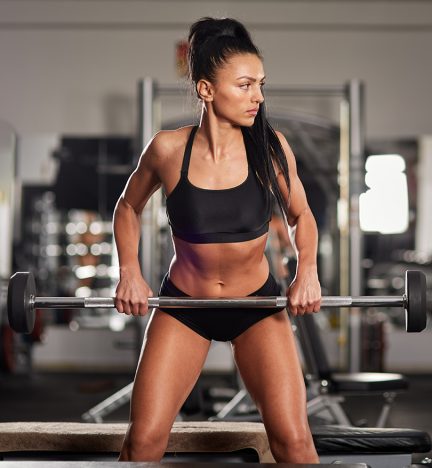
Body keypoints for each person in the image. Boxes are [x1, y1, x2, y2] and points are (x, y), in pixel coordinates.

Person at [112, 17, 321, 463]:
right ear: (206, 89)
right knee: (144, 441)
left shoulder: (271, 148)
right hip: (186, 306)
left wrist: (308, 273)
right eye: (245, 85)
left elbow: (301, 215)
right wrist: (128, 270)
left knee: (294, 442)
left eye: (261, 85)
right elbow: (127, 207)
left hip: (256, 307)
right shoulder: (167, 150)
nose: (258, 97)